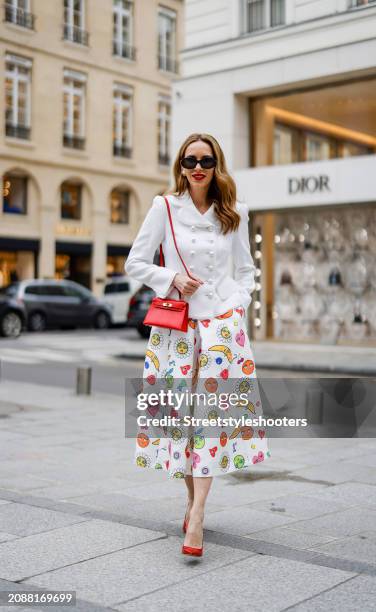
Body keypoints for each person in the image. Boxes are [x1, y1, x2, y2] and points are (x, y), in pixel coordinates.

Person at [124, 133, 270, 557]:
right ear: (181, 166)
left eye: (205, 160)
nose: (197, 167)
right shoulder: (164, 207)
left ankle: (199, 515)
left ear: (216, 164)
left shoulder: (235, 214)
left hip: (222, 333)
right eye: (190, 160)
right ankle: (191, 502)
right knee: (184, 422)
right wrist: (171, 279)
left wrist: (233, 310)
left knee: (210, 419)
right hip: (177, 332)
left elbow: (246, 274)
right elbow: (135, 262)